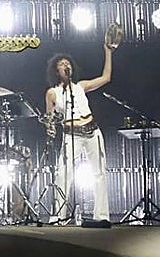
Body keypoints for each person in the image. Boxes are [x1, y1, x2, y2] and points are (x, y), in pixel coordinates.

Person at [43, 34, 116, 227]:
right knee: (64, 173)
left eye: (68, 63)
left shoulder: (81, 86)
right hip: (70, 133)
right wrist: (50, 127)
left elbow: (106, 78)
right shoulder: (53, 93)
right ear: (56, 70)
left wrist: (107, 52)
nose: (66, 65)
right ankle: (59, 215)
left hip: (92, 131)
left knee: (99, 173)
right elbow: (49, 119)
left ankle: (101, 215)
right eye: (62, 64)